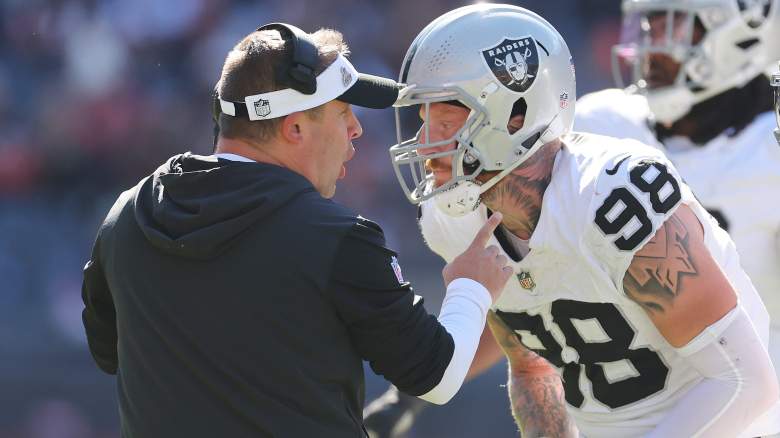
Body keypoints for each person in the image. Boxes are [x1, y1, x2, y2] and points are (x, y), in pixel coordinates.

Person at [80, 23, 514, 438]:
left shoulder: (127, 216)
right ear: (295, 128)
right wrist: (470, 287)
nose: (356, 129)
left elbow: (108, 353)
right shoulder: (337, 239)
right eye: (343, 113)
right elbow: (436, 375)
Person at [370, 4, 779, 437]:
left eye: (444, 120)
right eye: (423, 119)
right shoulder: (455, 220)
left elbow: (743, 381)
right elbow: (531, 357)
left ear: (517, 116)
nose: (426, 144)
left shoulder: (614, 193)